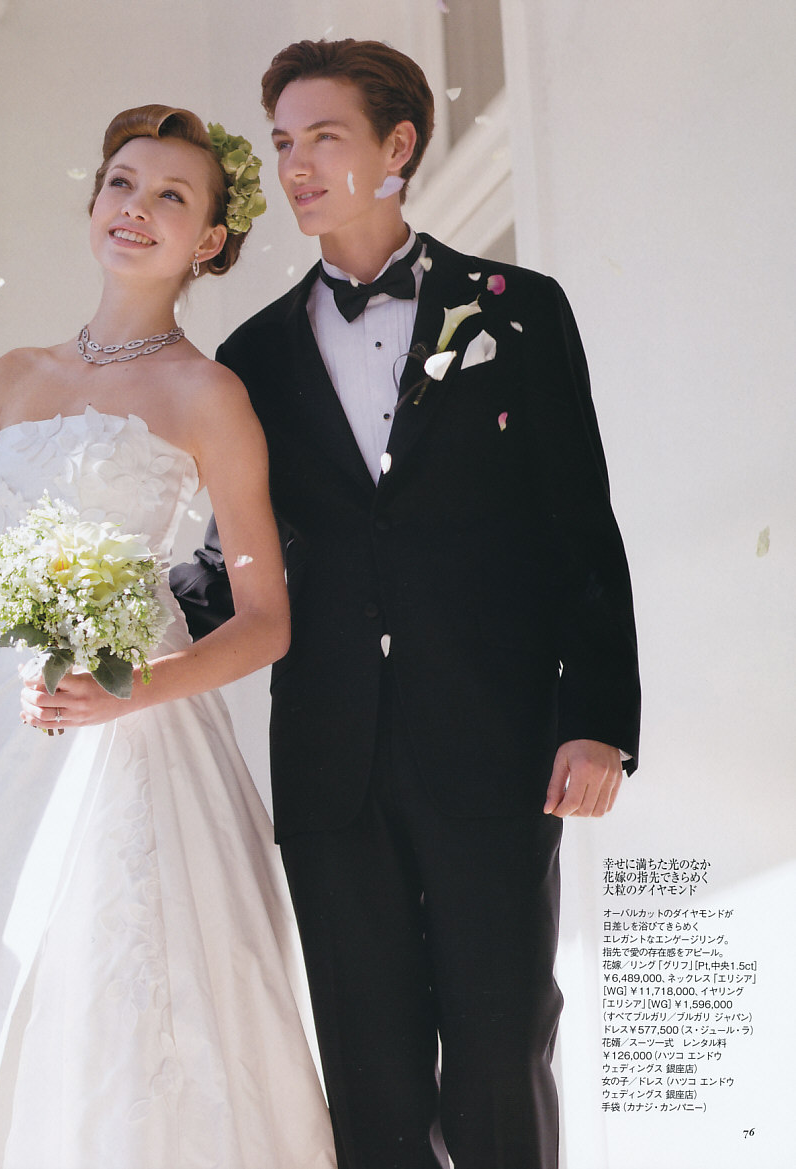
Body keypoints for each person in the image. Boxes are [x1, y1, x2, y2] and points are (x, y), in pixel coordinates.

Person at [172, 38, 640, 1169]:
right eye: (283, 142)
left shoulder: (518, 311)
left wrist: (599, 719)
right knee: (369, 1072)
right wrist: (114, 621)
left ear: (397, 147)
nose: (294, 165)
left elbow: (579, 526)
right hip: (331, 758)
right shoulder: (248, 357)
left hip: (496, 745)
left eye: (323, 136)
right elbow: (231, 557)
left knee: (501, 1047)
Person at [0, 104, 337, 1168]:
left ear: (210, 239)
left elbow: (266, 620)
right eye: (122, 183)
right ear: (95, 202)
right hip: (9, 729)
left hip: (139, 731)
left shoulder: (208, 393)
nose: (136, 208)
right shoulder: (10, 376)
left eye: (171, 196)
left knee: (120, 987)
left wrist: (130, 687)